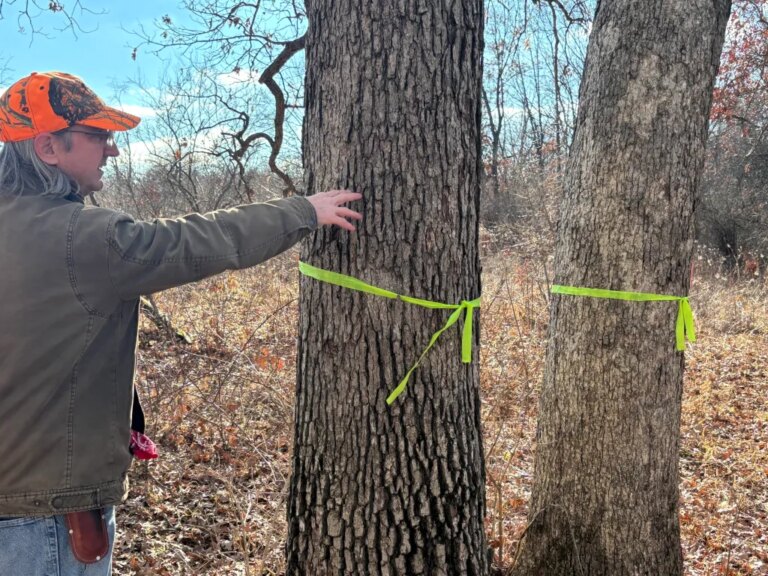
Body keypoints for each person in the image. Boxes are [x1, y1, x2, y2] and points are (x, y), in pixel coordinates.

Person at [0, 71, 362, 575]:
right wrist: (301, 211)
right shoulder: (83, 237)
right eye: (99, 135)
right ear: (48, 147)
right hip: (44, 520)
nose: (112, 150)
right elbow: (195, 240)